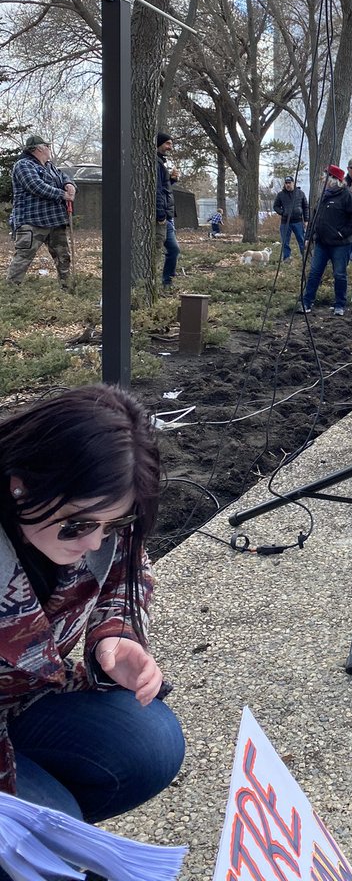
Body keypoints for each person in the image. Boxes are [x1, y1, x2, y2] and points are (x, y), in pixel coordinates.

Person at [0, 386, 185, 822]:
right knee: (50, 837)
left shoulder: (95, 518)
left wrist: (115, 635)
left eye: (116, 522)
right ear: (20, 487)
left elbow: (127, 570)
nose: (94, 542)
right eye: (78, 524)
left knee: (152, 743)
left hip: (24, 702)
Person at [5, 134, 76, 289]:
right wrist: (62, 194)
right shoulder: (23, 165)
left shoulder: (49, 166)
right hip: (31, 222)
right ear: (38, 148)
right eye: (47, 146)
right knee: (23, 258)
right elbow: (36, 186)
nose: (49, 149)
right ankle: (10, 292)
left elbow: (63, 176)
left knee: (63, 258)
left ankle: (68, 290)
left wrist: (69, 184)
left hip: (55, 221)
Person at [300, 166, 352, 316]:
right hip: (322, 243)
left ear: (334, 180)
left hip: (340, 245)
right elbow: (315, 219)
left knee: (339, 274)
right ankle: (306, 302)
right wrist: (309, 237)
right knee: (314, 273)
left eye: (325, 176)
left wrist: (342, 233)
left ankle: (340, 304)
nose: (323, 179)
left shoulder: (347, 196)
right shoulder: (323, 196)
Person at [155, 133, 181, 289]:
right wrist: (161, 215)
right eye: (167, 143)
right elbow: (156, 191)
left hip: (168, 216)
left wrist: (171, 180)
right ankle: (165, 282)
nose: (170, 147)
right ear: (159, 144)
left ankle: (166, 282)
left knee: (173, 250)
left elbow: (164, 188)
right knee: (171, 249)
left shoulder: (161, 163)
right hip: (163, 217)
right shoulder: (156, 163)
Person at [273, 176, 309, 262]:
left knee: (301, 240)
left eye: (289, 183)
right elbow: (275, 206)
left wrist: (306, 220)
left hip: (298, 221)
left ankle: (304, 257)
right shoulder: (280, 195)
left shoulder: (300, 193)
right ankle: (286, 258)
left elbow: (305, 207)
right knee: (285, 241)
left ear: (293, 183)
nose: (288, 185)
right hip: (285, 222)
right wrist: (282, 212)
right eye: (286, 183)